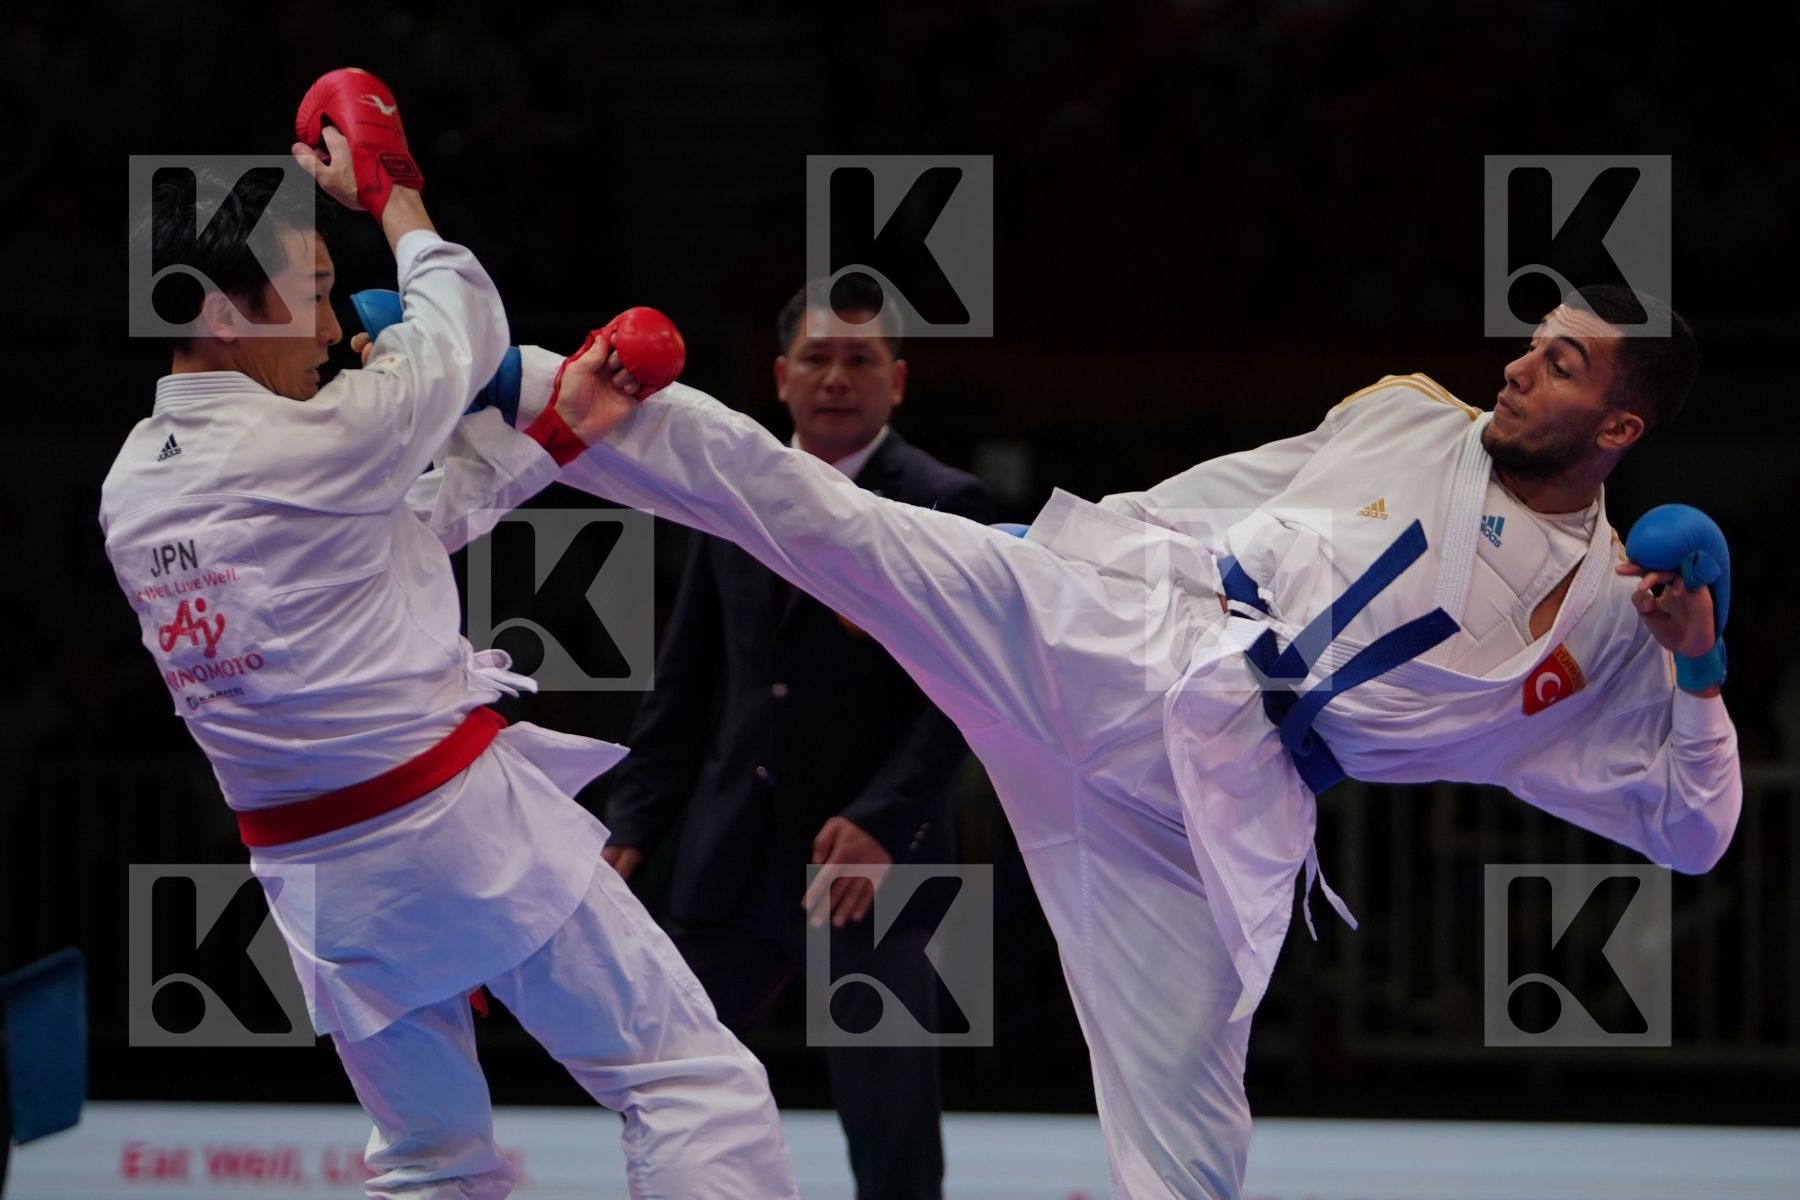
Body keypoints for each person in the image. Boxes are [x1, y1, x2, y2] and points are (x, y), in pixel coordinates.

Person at [486, 280, 1741, 1199]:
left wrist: (1698, 669)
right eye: (1532, 344)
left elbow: (1695, 835)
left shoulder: (1610, 626)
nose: (1518, 369)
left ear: (1619, 428)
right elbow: (1228, 497)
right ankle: (530, 384)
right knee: (835, 524)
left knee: (1191, 1147)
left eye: (1562, 364)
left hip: (1224, 807)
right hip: (1128, 644)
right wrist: (1044, 554)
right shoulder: (1412, 419)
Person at [100, 70, 795, 1200]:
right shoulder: (310, 440)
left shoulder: (132, 485)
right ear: (221, 313)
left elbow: (383, 540)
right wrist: (393, 188)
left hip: (317, 880)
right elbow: (468, 323)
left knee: (432, 1162)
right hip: (453, 828)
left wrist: (556, 436)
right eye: (313, 293)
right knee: (688, 1082)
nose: (335, 326)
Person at [601, 279, 991, 1200]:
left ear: (898, 381)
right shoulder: (736, 493)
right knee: (671, 1084)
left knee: (890, 1123)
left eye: (860, 359)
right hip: (735, 850)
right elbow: (687, 684)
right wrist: (630, 829)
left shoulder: (944, 502)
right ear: (781, 376)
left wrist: (884, 819)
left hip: (878, 865)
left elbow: (969, 690)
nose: (837, 378)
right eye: (817, 358)